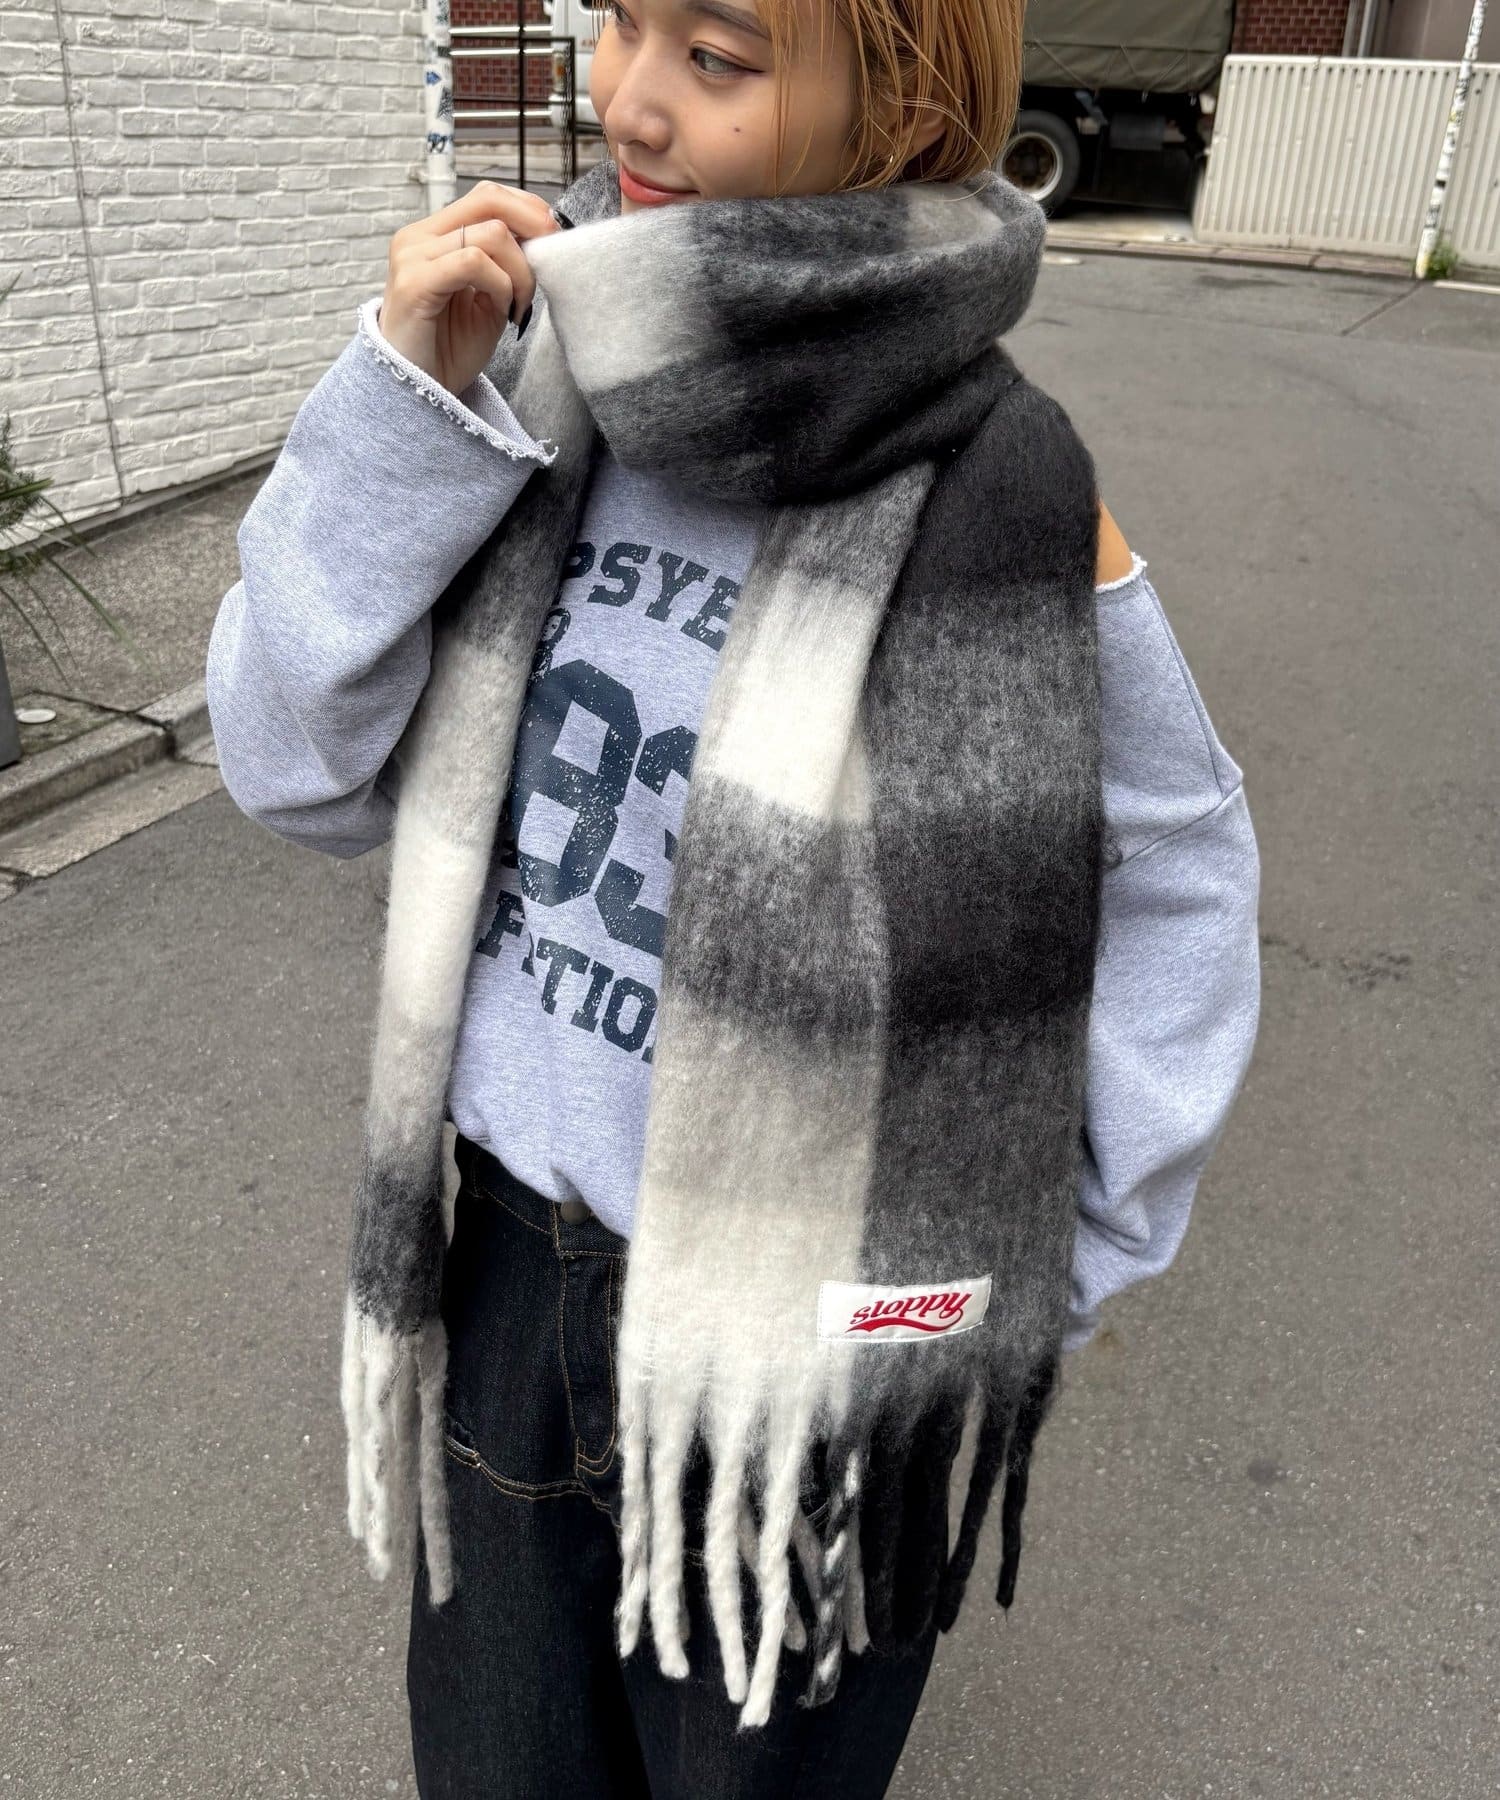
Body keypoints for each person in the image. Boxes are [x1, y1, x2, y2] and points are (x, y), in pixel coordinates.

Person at [205, 0, 1261, 1789]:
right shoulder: (532, 384)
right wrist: (406, 399)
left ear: (900, 95)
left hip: (817, 1339)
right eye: (623, 20)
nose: (630, 101)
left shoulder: (1002, 489)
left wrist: (1003, 1284)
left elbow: (1173, 873)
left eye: (719, 56)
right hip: (510, 1286)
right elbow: (289, 766)